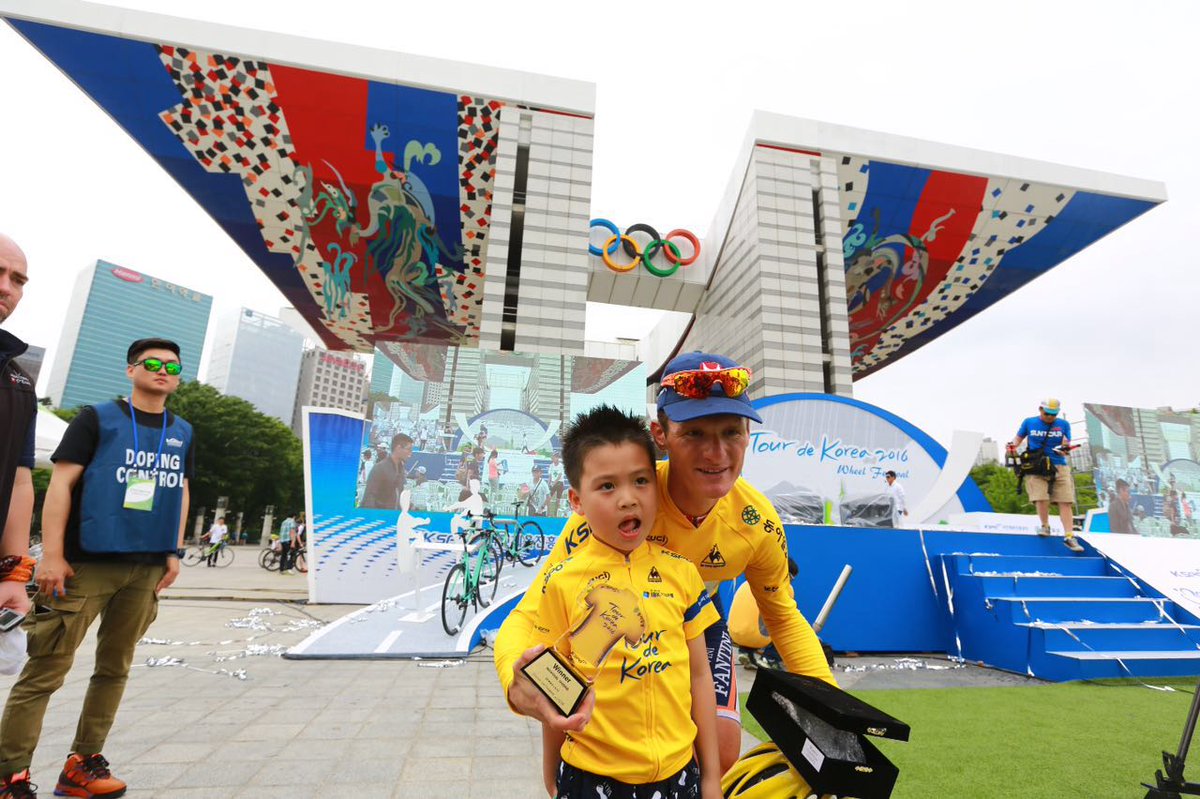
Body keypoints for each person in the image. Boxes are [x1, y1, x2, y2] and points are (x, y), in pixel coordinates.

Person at [496, 351, 835, 773]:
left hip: (696, 627)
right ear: (661, 434)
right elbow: (529, 614)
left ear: (748, 431)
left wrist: (833, 717)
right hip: (614, 625)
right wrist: (516, 682)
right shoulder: (621, 500)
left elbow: (783, 617)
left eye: (731, 431)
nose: (717, 453)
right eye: (693, 433)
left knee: (722, 753)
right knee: (592, 741)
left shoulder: (757, 522)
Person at [0, 337, 194, 798]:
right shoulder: (96, 418)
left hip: (146, 568)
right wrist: (50, 554)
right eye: (151, 363)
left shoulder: (182, 429)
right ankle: (9, 774)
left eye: (172, 366)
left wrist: (174, 550)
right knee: (45, 671)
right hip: (84, 564)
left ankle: (83, 763)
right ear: (131, 370)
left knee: (115, 669)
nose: (162, 370)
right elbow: (61, 485)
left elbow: (180, 488)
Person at [532, 405, 720, 799]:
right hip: (590, 777)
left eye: (640, 481)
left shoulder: (683, 574)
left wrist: (712, 778)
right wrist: (551, 770)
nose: (627, 499)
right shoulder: (562, 581)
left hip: (678, 775)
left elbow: (701, 677)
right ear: (576, 501)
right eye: (607, 486)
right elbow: (553, 685)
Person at [0, 234, 36, 618]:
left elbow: (20, 480)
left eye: (18, 279)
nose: (5, 287)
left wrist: (15, 572)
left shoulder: (20, 383)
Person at [1009, 397, 1084, 553]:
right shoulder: (1029, 422)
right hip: (1036, 465)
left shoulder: (1063, 424)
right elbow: (1017, 439)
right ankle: (1045, 525)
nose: (1050, 417)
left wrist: (1065, 448)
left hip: (1059, 465)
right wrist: (1011, 446)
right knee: (1040, 497)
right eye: (1047, 413)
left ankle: (1069, 536)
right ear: (1040, 409)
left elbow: (1066, 442)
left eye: (1053, 414)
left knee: (1066, 501)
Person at [360, 433, 413, 510]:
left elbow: (400, 497)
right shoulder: (380, 468)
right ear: (398, 448)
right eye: (408, 449)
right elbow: (369, 499)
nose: (410, 454)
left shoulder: (401, 470)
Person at [547, 451, 565, 516]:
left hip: (559, 483)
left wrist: (554, 482)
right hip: (552, 484)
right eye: (553, 457)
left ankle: (556, 514)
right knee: (548, 498)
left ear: (557, 458)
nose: (554, 458)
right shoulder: (551, 466)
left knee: (558, 500)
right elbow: (550, 476)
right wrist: (548, 484)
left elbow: (560, 475)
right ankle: (548, 513)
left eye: (555, 457)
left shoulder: (561, 466)